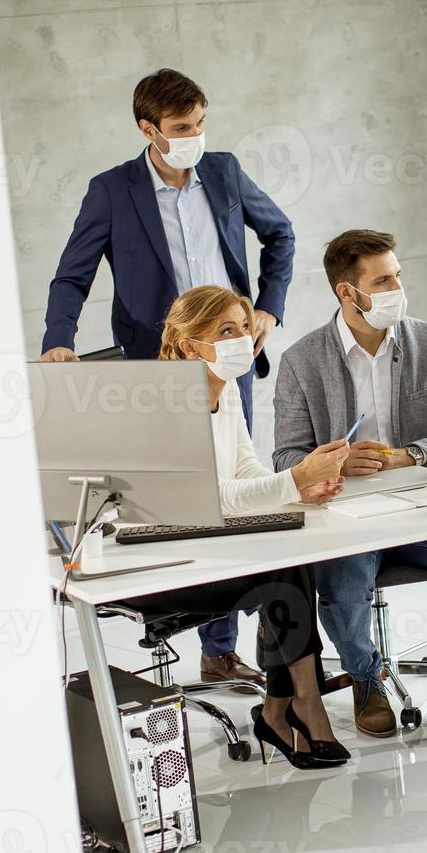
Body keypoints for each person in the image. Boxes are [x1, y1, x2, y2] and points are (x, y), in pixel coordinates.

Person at [39, 68, 296, 686]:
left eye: (201, 124)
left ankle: (220, 647)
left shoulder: (226, 172)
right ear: (147, 128)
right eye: (182, 128)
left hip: (227, 355)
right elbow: (72, 275)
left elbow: (280, 233)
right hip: (156, 366)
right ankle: (180, 603)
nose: (195, 137)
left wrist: (268, 307)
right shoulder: (112, 191)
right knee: (182, 494)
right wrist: (58, 341)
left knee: (235, 478)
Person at [272, 230, 427, 743]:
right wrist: (332, 464)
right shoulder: (300, 361)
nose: (397, 287)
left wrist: (412, 454)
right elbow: (286, 458)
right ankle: (366, 677)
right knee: (342, 572)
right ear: (347, 292)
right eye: (383, 280)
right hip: (349, 518)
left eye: (397, 275)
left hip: (425, 513)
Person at [116, 286, 349, 769]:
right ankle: (294, 707)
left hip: (208, 547)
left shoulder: (226, 394)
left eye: (244, 328)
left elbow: (244, 472)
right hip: (162, 564)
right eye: (226, 331)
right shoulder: (163, 403)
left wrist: (297, 488)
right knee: (284, 571)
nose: (243, 339)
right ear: (187, 346)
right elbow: (207, 495)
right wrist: (291, 481)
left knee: (290, 559)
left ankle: (289, 707)